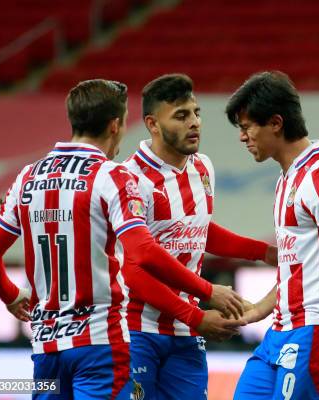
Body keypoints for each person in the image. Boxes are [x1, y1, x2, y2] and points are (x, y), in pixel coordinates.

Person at [0, 79, 244, 399]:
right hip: (99, 346)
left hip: (47, 347)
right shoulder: (111, 176)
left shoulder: (27, 177)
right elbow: (143, 253)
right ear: (115, 125)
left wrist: (10, 295)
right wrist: (207, 291)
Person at [122, 73, 277, 399]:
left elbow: (198, 230)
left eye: (196, 113)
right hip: (137, 329)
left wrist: (263, 252)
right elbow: (133, 270)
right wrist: (203, 303)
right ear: (152, 124)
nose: (194, 123)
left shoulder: (202, 167)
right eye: (181, 115)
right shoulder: (129, 178)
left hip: (186, 331)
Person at [225, 71, 319, 400]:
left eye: (246, 127)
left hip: (315, 330)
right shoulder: (289, 177)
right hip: (280, 331)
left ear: (275, 123)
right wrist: (256, 310)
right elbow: (298, 268)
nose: (242, 137)